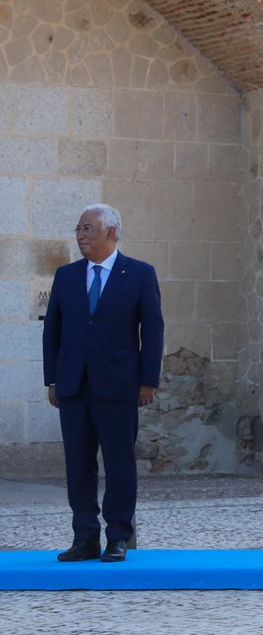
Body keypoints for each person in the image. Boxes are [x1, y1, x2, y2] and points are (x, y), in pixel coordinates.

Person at [42, 203, 164, 563]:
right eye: (79, 229)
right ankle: (84, 537)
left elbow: (153, 331)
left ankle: (118, 536)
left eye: (87, 229)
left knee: (119, 463)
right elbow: (53, 331)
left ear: (110, 232)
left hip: (119, 386)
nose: (80, 235)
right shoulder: (66, 275)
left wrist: (148, 381)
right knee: (78, 464)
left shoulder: (140, 274)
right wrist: (52, 379)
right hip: (74, 386)